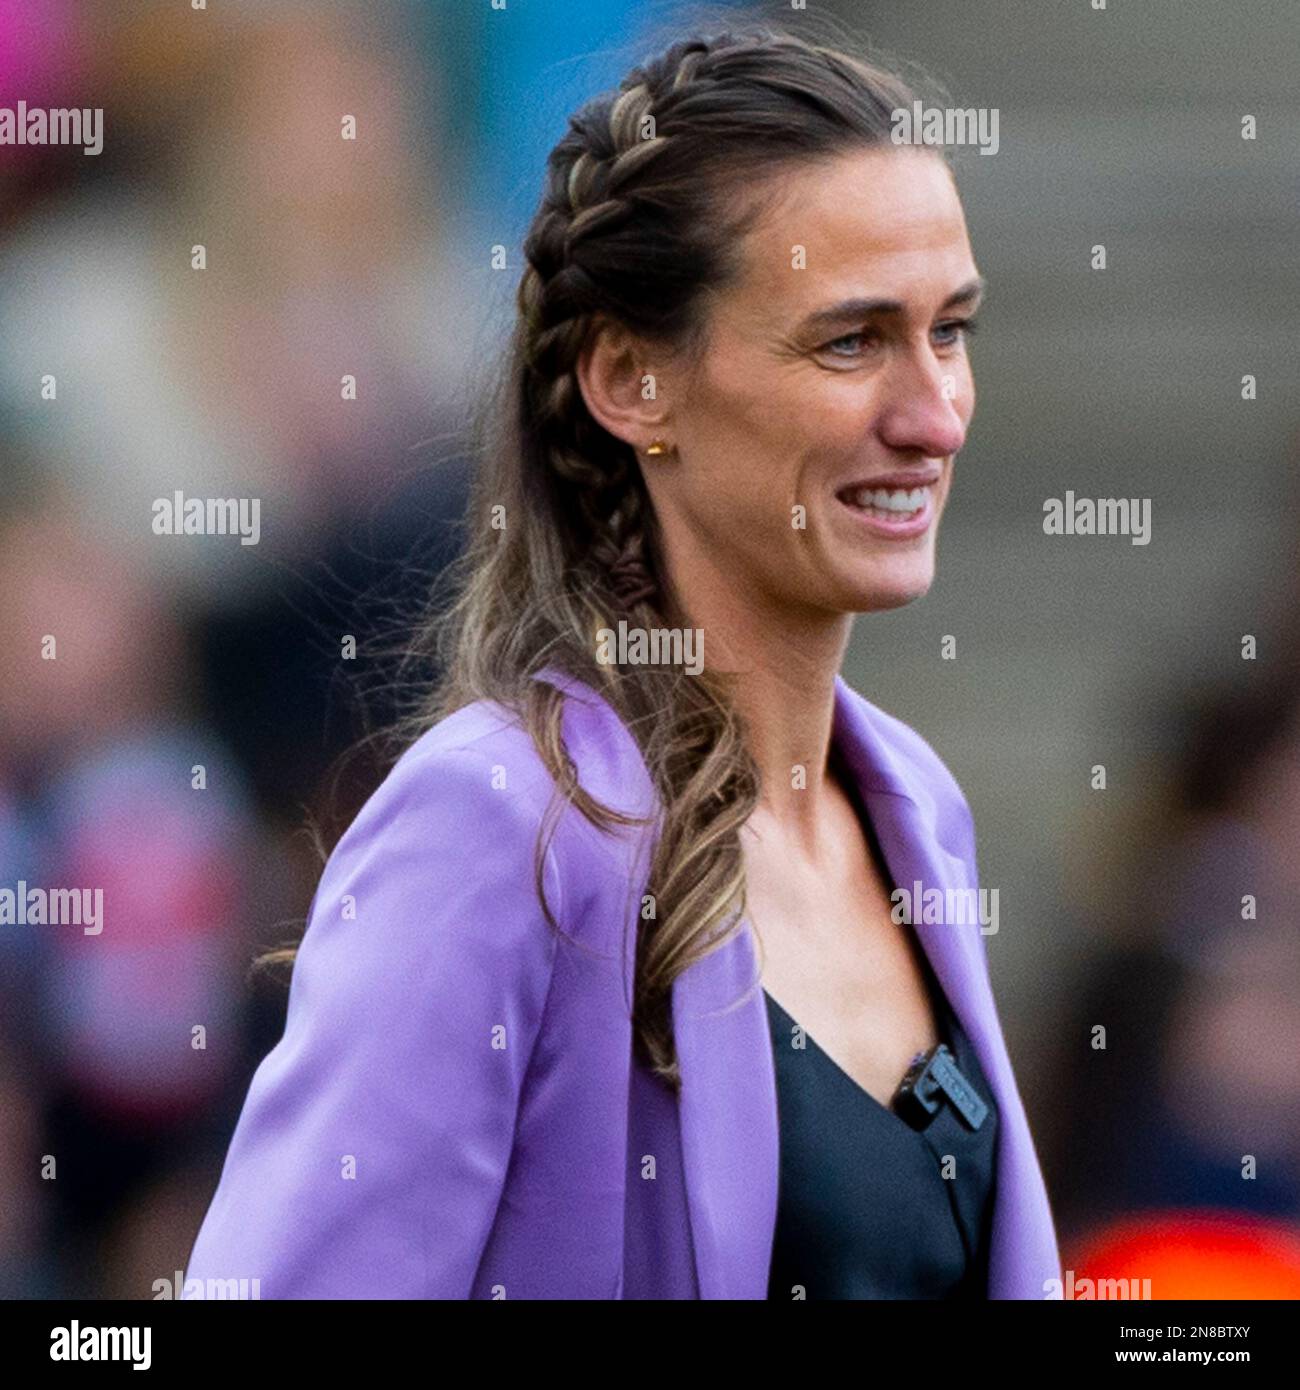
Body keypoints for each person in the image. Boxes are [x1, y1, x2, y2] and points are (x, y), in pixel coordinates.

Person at [185, 23, 1060, 1300]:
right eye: (850, 341)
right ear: (630, 378)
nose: (931, 414)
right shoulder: (501, 822)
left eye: (951, 331)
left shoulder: (917, 805)